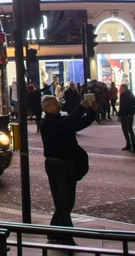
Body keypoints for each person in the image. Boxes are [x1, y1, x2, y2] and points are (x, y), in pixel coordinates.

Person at [39, 94, 98, 245]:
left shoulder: (61, 119)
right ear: (46, 108)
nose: (56, 104)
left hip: (70, 164)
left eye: (56, 102)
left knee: (68, 201)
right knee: (62, 201)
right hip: (56, 165)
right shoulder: (47, 123)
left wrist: (92, 112)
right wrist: (81, 108)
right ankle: (66, 237)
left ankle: (53, 231)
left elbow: (78, 124)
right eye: (52, 104)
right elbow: (68, 124)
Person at [117, 83, 135, 152]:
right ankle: (128, 144)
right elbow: (121, 106)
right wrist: (119, 115)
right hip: (123, 115)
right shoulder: (122, 95)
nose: (120, 90)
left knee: (130, 130)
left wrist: (131, 113)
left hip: (128, 115)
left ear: (124, 89)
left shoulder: (129, 95)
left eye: (121, 88)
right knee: (125, 130)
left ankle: (133, 145)